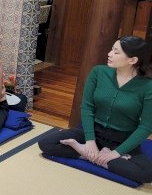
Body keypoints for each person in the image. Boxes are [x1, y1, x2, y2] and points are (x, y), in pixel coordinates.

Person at [38, 36, 152, 183]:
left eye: (116, 52)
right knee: (46, 143)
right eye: (111, 49)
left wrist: (116, 153)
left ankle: (93, 156)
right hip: (92, 129)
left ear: (133, 60)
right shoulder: (98, 72)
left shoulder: (147, 87)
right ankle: (92, 155)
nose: (109, 54)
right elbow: (87, 107)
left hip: (122, 138)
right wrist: (90, 141)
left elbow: (146, 127)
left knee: (147, 173)